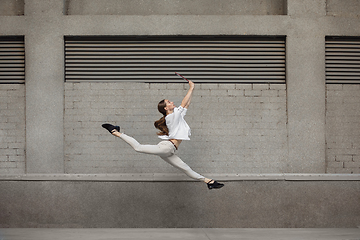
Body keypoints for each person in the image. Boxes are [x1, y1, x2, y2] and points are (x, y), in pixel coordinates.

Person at [102, 79, 224, 190]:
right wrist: (191, 88)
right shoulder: (170, 117)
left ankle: (209, 181)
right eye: (169, 102)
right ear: (166, 108)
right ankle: (115, 132)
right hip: (166, 147)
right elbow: (183, 103)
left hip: (169, 150)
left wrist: (193, 88)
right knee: (138, 147)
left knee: (185, 168)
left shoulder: (177, 116)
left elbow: (187, 104)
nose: (171, 102)